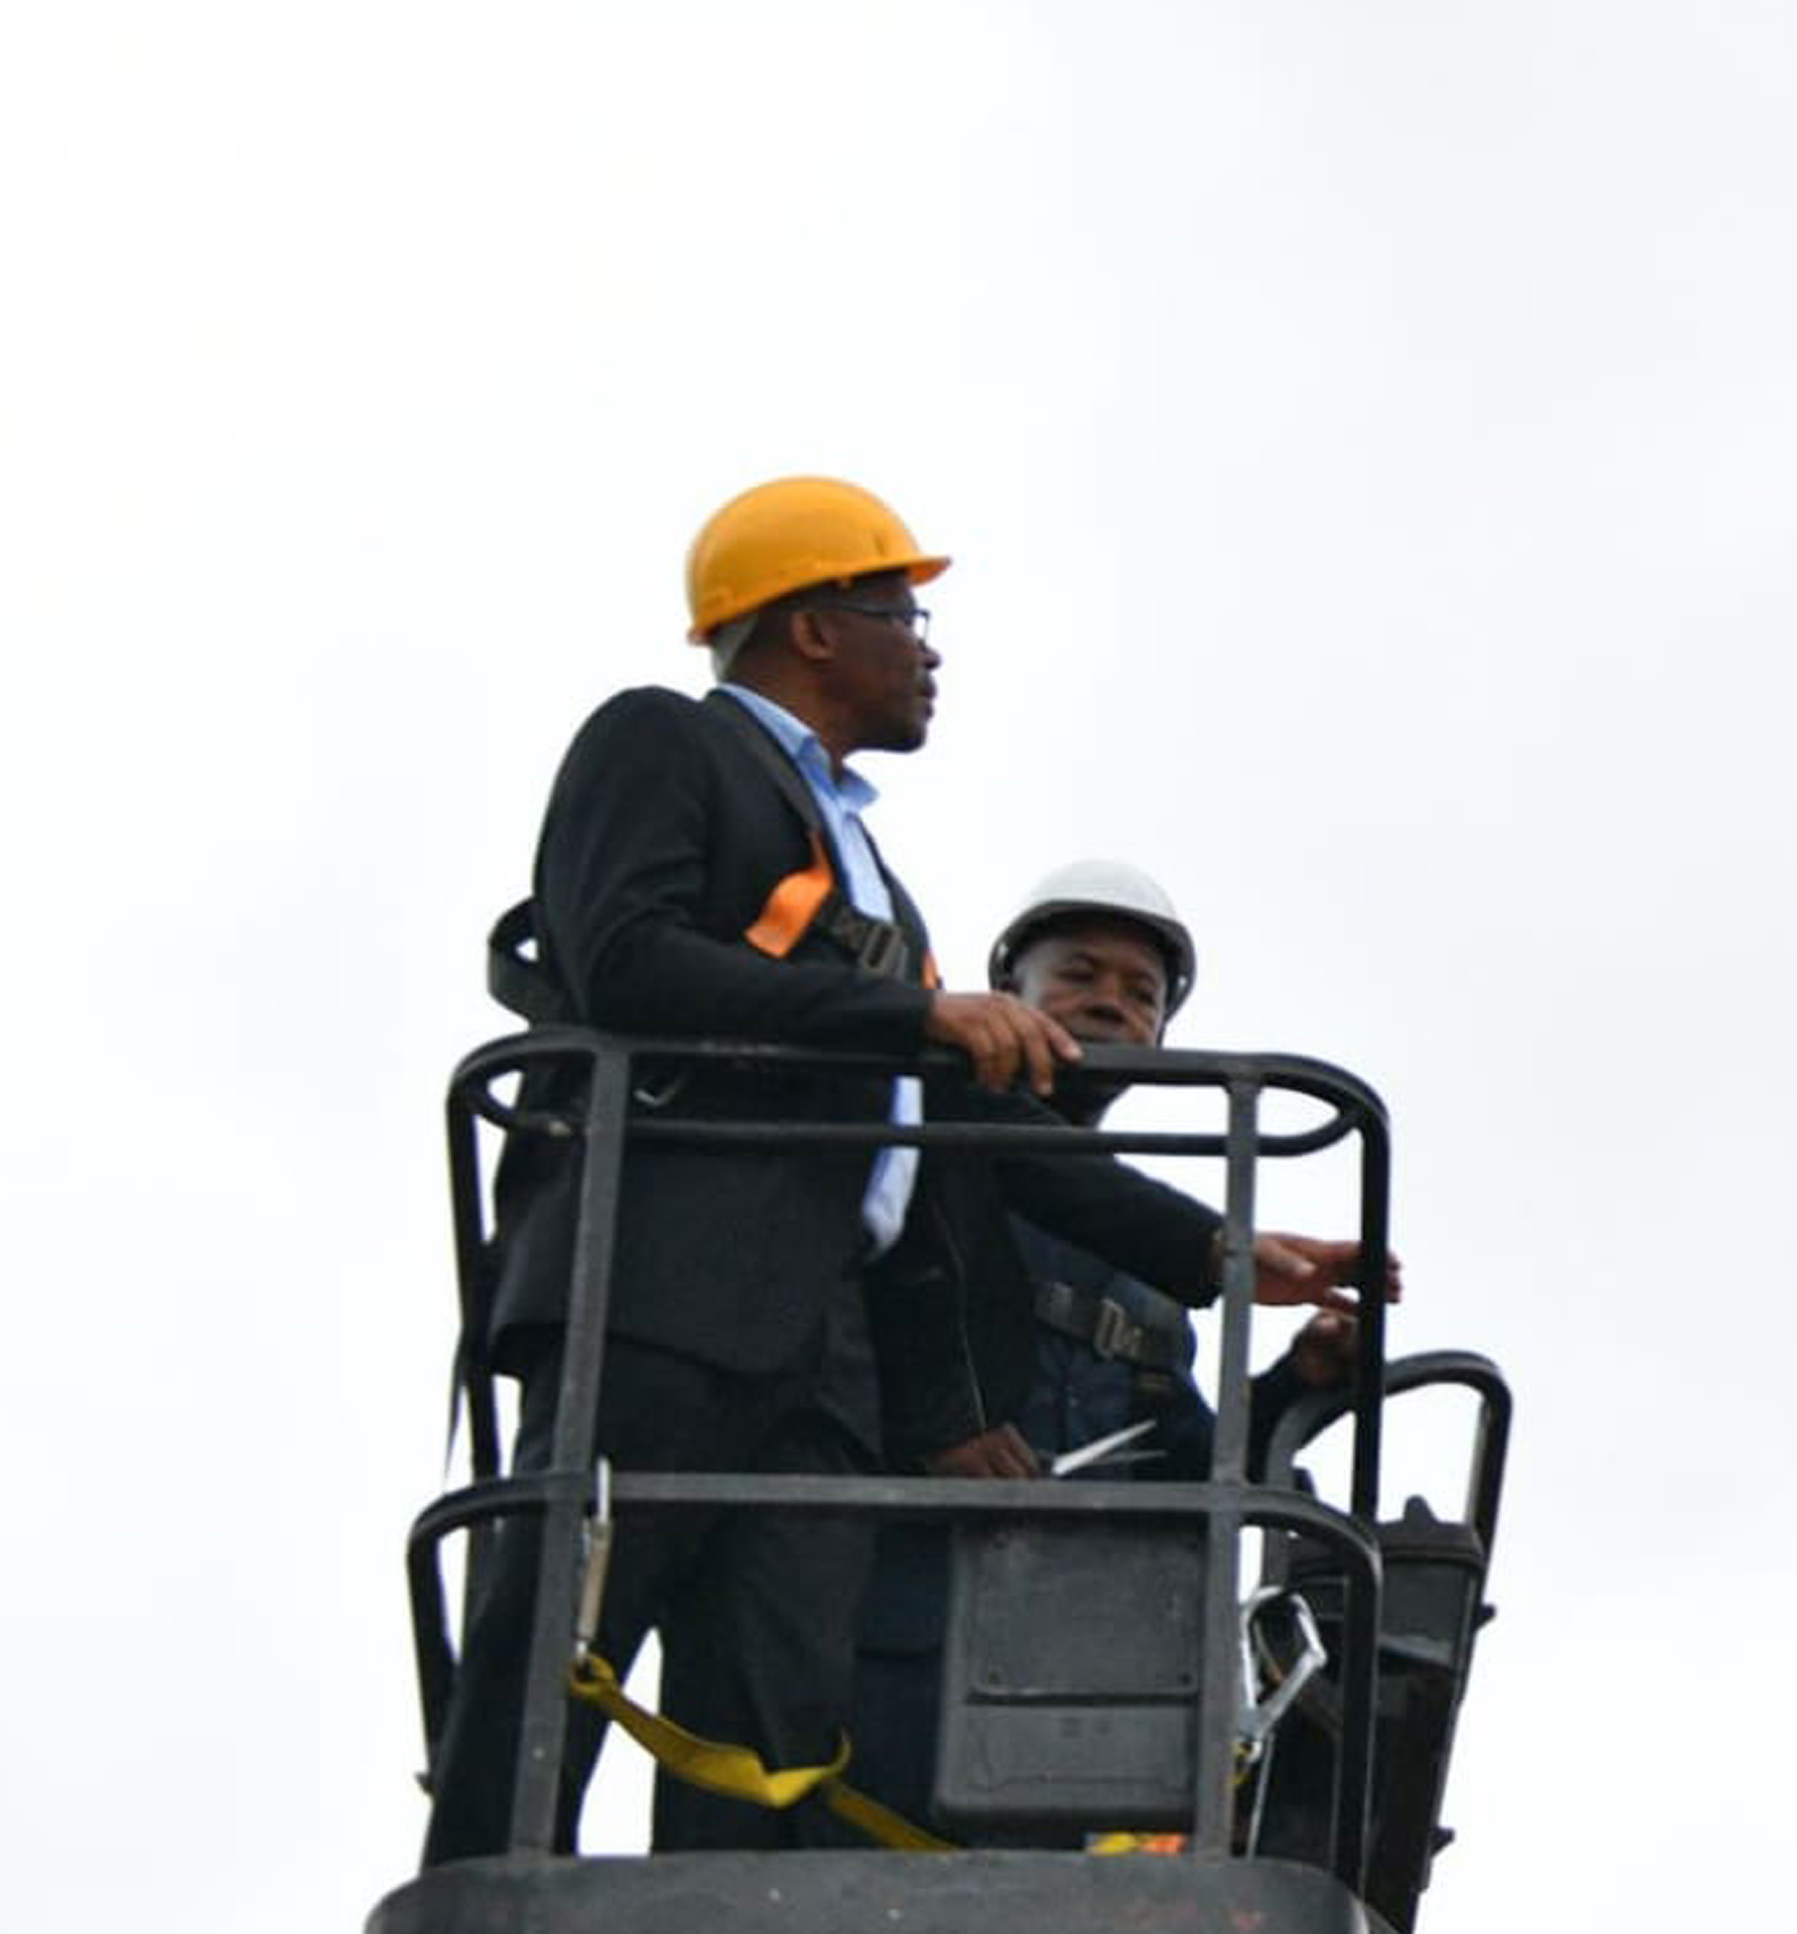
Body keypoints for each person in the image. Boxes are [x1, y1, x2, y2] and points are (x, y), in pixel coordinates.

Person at [425, 478, 1357, 1867]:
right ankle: (484, 1896)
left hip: (823, 1350)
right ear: (812, 625)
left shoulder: (876, 879)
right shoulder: (661, 742)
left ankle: (726, 1913)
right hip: (664, 1290)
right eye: (902, 616)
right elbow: (623, 957)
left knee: (775, 1698)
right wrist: (912, 1017)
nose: (926, 650)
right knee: (567, 1616)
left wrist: (1221, 1252)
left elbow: (962, 1141)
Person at [844, 859, 1390, 1832]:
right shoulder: (910, 1152)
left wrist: (1293, 1382)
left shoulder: (1144, 1262)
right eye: (1079, 973)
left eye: (1140, 993)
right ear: (1004, 993)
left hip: (1060, 1675)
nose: (1109, 1002)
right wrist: (937, 1421)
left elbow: (1177, 1462)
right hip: (886, 1626)